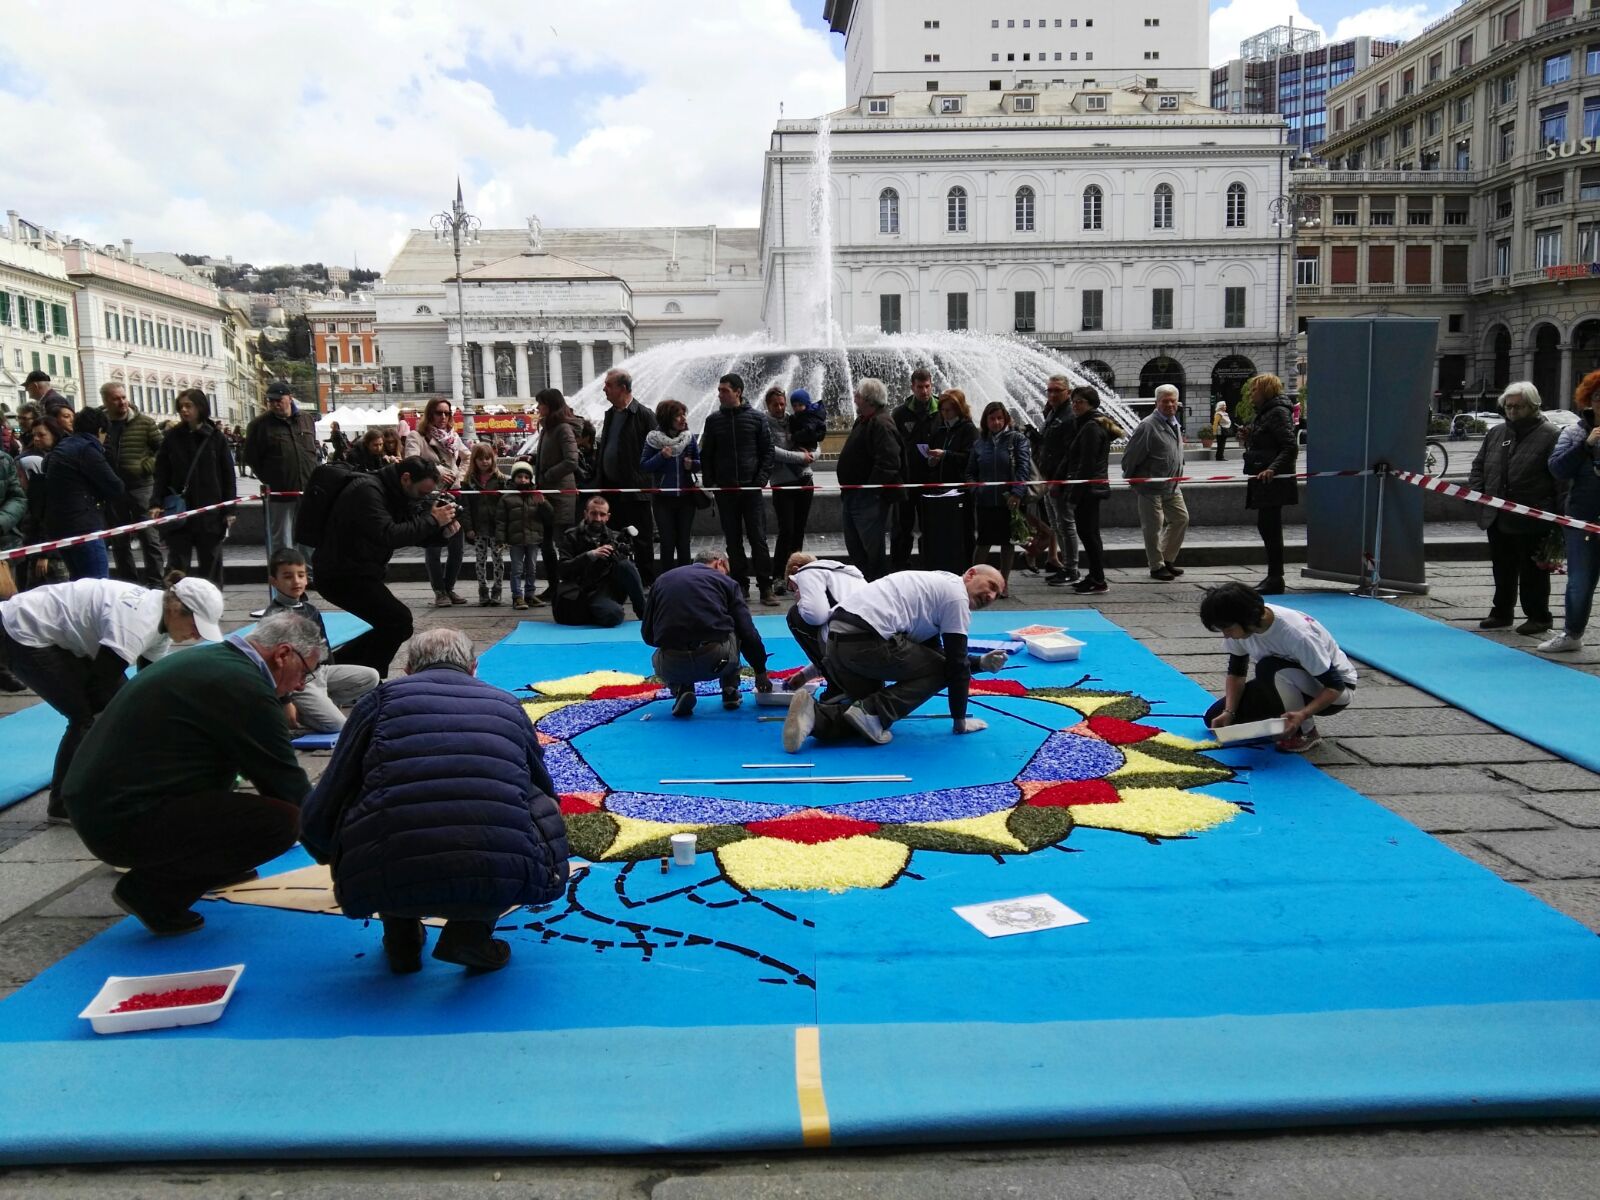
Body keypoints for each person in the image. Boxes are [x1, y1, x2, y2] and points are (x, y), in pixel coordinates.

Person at [299, 628, 569, 973]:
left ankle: (401, 936)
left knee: (382, 800)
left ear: (408, 669)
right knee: (529, 803)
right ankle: (471, 933)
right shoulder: (507, 704)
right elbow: (542, 785)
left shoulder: (378, 702)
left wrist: (333, 852)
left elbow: (333, 790)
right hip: (495, 864)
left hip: (388, 861)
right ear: (474, 668)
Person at [61, 610, 321, 935]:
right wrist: (342, 851)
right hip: (122, 819)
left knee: (245, 805)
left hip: (99, 803)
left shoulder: (217, 660)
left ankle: (209, 865)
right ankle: (151, 892)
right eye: (305, 673)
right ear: (283, 654)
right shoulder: (245, 688)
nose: (300, 685)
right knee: (283, 822)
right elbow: (287, 786)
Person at [0, 572, 224, 822]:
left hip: (54, 631)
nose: (196, 637)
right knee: (87, 717)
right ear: (175, 609)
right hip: (22, 629)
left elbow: (149, 687)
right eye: (196, 626)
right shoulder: (138, 624)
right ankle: (63, 804)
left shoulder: (161, 622)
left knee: (119, 708)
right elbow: (99, 687)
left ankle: (115, 783)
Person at [783, 565, 1005, 751]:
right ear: (971, 574)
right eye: (991, 586)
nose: (991, 597)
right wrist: (960, 721)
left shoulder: (937, 583)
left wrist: (980, 663)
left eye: (998, 595)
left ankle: (814, 717)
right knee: (935, 675)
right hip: (866, 643)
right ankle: (871, 711)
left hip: (835, 645)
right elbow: (953, 666)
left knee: (860, 719)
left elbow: (933, 653)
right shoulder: (957, 598)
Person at [312, 455, 459, 677]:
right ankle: (361, 674)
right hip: (339, 573)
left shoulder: (395, 492)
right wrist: (432, 521)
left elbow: (409, 532)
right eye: (422, 492)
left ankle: (342, 669)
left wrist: (441, 533)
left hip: (359, 570)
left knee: (391, 623)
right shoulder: (367, 491)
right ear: (407, 478)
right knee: (397, 621)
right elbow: (388, 534)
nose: (423, 498)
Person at [1200, 582, 1356, 755]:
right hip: (1284, 681)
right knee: (1215, 719)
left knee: (1269, 668)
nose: (1226, 635)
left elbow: (1335, 686)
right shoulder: (1242, 626)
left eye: (1228, 629)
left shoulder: (1296, 633)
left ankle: (1306, 732)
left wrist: (1303, 715)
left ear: (1248, 619)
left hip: (1334, 692)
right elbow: (1236, 673)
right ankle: (1282, 720)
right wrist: (1229, 711)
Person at [1468, 381, 1562, 635]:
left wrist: (1558, 516)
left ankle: (1539, 616)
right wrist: (1478, 495)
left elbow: (1560, 479)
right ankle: (1501, 612)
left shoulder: (1550, 434)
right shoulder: (1496, 433)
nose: (1512, 411)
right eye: (1508, 406)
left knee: (1533, 572)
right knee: (1502, 567)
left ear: (1532, 406)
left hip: (1532, 517)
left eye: (1518, 407)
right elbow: (1478, 466)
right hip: (1496, 515)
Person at [643, 549, 772, 717]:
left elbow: (647, 634)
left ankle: (682, 688)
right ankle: (730, 688)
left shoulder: (661, 581)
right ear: (719, 563)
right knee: (734, 626)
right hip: (717, 660)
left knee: (666, 645)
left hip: (672, 665)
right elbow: (748, 632)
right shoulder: (726, 583)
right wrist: (760, 671)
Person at [265, 548, 379, 732]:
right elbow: (274, 667)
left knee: (371, 677)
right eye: (287, 576)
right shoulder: (274, 617)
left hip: (320, 673)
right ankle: (300, 712)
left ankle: (320, 704)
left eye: (301, 575)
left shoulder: (310, 609)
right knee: (339, 726)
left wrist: (327, 675)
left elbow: (324, 647)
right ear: (273, 581)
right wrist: (285, 701)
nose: (296, 581)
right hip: (297, 683)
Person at [699, 373, 777, 604]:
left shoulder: (756, 419)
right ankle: (740, 586)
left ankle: (766, 587)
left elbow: (767, 452)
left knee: (758, 540)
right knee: (733, 542)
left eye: (724, 390)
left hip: (751, 490)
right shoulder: (713, 421)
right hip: (726, 491)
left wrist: (760, 480)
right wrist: (711, 482)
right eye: (720, 390)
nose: (720, 394)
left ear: (738, 391)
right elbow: (707, 454)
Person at [149, 388, 236, 587]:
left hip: (210, 511)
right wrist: (155, 502)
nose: (184, 410)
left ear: (200, 407)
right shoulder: (172, 437)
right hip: (180, 512)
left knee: (211, 564)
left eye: (189, 406)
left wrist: (230, 509)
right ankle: (174, 605)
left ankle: (212, 605)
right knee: (177, 564)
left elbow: (227, 476)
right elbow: (161, 473)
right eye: (181, 407)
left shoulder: (216, 437)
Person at [1541, 371, 1600, 653]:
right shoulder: (1575, 432)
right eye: (1599, 398)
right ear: (1589, 401)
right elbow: (1557, 469)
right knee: (1579, 581)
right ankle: (1572, 633)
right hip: (1583, 520)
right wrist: (1585, 446)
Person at [403, 397, 471, 607]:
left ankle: (449, 588)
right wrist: (437, 470)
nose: (443, 417)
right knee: (433, 546)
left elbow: (467, 456)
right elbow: (410, 463)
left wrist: (458, 475)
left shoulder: (453, 436)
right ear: (429, 414)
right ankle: (439, 591)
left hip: (453, 494)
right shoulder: (417, 436)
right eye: (438, 413)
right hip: (431, 497)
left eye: (447, 413)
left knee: (457, 547)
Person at [44, 407, 125, 581]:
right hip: (84, 525)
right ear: (100, 431)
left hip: (61, 525)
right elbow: (115, 486)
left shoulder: (64, 445)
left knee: (78, 585)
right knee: (97, 586)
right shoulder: (87, 449)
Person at [1121, 383, 1190, 582]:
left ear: (1177, 402)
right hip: (1150, 486)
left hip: (1172, 484)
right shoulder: (1148, 425)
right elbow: (1131, 456)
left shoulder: (1174, 422)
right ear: (1156, 402)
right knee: (1152, 527)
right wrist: (1132, 478)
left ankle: (1167, 559)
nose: (1169, 405)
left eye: (1173, 401)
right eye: (1165, 401)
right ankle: (1156, 566)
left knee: (1181, 519)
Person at [100, 381, 165, 586]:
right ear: (106, 401)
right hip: (114, 490)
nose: (122, 402)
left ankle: (156, 582)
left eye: (123, 397)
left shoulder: (144, 422)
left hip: (142, 487)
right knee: (119, 539)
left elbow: (163, 451)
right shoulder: (102, 425)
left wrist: (146, 466)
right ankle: (128, 582)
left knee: (149, 537)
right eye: (116, 399)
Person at [835, 378, 902, 581]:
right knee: (856, 546)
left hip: (866, 498)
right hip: (854, 495)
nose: (854, 397)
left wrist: (869, 491)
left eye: (858, 395)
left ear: (869, 400)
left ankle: (876, 584)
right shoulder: (865, 420)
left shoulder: (880, 423)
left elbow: (889, 462)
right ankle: (865, 582)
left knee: (871, 549)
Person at [243, 382, 318, 560]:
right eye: (271, 401)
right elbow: (252, 458)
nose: (275, 404)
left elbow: (313, 448)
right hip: (280, 492)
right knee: (282, 540)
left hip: (307, 490)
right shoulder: (259, 425)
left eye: (279, 400)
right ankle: (284, 578)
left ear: (290, 398)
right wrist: (270, 479)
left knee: (309, 537)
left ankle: (309, 575)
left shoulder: (306, 419)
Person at [596, 369, 658, 585]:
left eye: (608, 385)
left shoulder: (644, 415)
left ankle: (647, 582)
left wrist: (643, 480)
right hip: (610, 489)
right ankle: (618, 581)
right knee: (613, 538)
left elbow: (656, 451)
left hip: (635, 490)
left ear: (622, 388)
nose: (604, 389)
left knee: (641, 540)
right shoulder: (610, 414)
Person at [966, 401, 1032, 597]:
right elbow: (970, 472)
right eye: (992, 418)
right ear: (985, 421)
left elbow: (1023, 468)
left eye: (999, 418)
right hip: (986, 501)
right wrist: (975, 490)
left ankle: (1004, 582)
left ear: (1005, 420)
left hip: (1010, 501)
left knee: (1007, 542)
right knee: (983, 541)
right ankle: (973, 582)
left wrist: (1017, 493)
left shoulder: (1017, 440)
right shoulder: (979, 443)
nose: (996, 422)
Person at [1242, 374, 1299, 596]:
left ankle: (1276, 577)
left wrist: (1272, 469)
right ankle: (1274, 576)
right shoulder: (1267, 413)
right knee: (1266, 526)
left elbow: (1289, 446)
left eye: (1254, 390)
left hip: (1273, 481)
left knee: (1270, 526)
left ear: (1265, 390)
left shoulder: (1277, 412)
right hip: (1265, 479)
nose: (1251, 394)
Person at [554, 495, 647, 627]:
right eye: (594, 513)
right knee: (613, 615)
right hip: (583, 591)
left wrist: (622, 556)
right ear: (586, 514)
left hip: (607, 589)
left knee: (625, 565)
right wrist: (590, 555)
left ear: (608, 517)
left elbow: (628, 572)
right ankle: (594, 611)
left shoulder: (615, 537)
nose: (598, 518)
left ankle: (644, 613)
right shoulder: (571, 536)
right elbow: (563, 571)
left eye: (602, 514)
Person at [1063, 387, 1122, 595]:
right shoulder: (1093, 423)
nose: (1075, 405)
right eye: (1073, 401)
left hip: (1089, 489)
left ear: (1091, 404)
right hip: (1092, 488)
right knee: (1090, 534)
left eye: (1080, 402)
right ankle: (1095, 576)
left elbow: (1086, 463)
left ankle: (1098, 579)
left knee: (1089, 534)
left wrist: (1075, 493)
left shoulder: (1090, 427)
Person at [782, 551, 866, 692]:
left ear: (796, 570)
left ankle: (837, 686)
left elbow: (815, 618)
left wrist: (800, 601)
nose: (794, 592)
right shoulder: (848, 575)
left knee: (795, 615)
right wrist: (805, 675)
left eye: (792, 587)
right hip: (876, 646)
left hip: (852, 645)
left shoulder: (806, 573)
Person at [921, 389, 978, 575]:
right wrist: (932, 460)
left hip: (960, 489)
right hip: (941, 489)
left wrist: (946, 455)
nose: (945, 414)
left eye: (949, 410)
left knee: (964, 531)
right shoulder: (941, 429)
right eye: (943, 410)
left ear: (959, 409)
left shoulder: (968, 429)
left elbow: (969, 457)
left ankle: (966, 568)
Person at [641, 398, 701, 573]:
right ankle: (667, 581)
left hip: (686, 498)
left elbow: (699, 462)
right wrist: (661, 456)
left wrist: (693, 464)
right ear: (667, 418)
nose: (683, 419)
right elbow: (644, 465)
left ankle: (686, 579)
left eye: (684, 415)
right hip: (663, 500)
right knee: (667, 542)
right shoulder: (654, 439)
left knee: (684, 542)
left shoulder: (688, 438)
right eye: (678, 416)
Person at [534, 388, 583, 601]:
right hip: (547, 493)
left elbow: (571, 460)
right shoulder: (548, 428)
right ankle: (553, 585)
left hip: (561, 494)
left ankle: (566, 586)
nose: (537, 408)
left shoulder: (563, 428)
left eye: (540, 404)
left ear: (551, 405)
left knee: (562, 543)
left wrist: (548, 474)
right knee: (545, 542)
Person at [890, 368, 939, 570]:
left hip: (932, 479)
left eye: (927, 386)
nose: (924, 391)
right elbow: (893, 443)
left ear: (931, 385)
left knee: (931, 526)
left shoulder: (941, 410)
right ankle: (900, 566)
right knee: (903, 527)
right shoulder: (900, 413)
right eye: (920, 387)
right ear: (912, 387)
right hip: (908, 479)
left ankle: (931, 564)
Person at [766, 386, 816, 572]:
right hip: (782, 483)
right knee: (786, 530)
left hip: (804, 480)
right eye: (775, 405)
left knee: (799, 530)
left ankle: (796, 571)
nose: (779, 408)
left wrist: (812, 456)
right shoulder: (763, 423)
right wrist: (800, 458)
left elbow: (814, 443)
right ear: (768, 405)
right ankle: (779, 574)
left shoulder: (795, 419)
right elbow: (772, 451)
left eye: (782, 404)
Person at [1037, 375, 1080, 586]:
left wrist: (1059, 479)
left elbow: (1069, 452)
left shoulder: (1069, 416)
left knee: (1066, 524)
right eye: (1050, 390)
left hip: (1059, 480)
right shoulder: (1053, 413)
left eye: (1057, 391)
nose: (1052, 394)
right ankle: (1065, 566)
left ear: (1068, 393)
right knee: (1057, 524)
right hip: (1049, 477)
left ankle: (1072, 569)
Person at [457, 442, 508, 607]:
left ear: (492, 459)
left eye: (487, 458)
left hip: (496, 527)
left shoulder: (500, 480)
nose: (484, 462)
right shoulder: (468, 482)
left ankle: (497, 589)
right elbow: (465, 507)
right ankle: (483, 589)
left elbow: (505, 505)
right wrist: (468, 528)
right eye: (481, 459)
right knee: (480, 560)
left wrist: (504, 526)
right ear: (474, 461)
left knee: (498, 559)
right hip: (478, 528)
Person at [497, 462, 553, 611]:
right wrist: (500, 539)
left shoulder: (536, 496)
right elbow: (501, 521)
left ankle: (530, 594)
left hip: (533, 539)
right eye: (520, 476)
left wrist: (544, 504)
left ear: (530, 479)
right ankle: (517, 596)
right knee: (516, 568)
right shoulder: (507, 498)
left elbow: (549, 516)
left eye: (526, 477)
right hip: (516, 540)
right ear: (514, 478)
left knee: (532, 568)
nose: (523, 480)